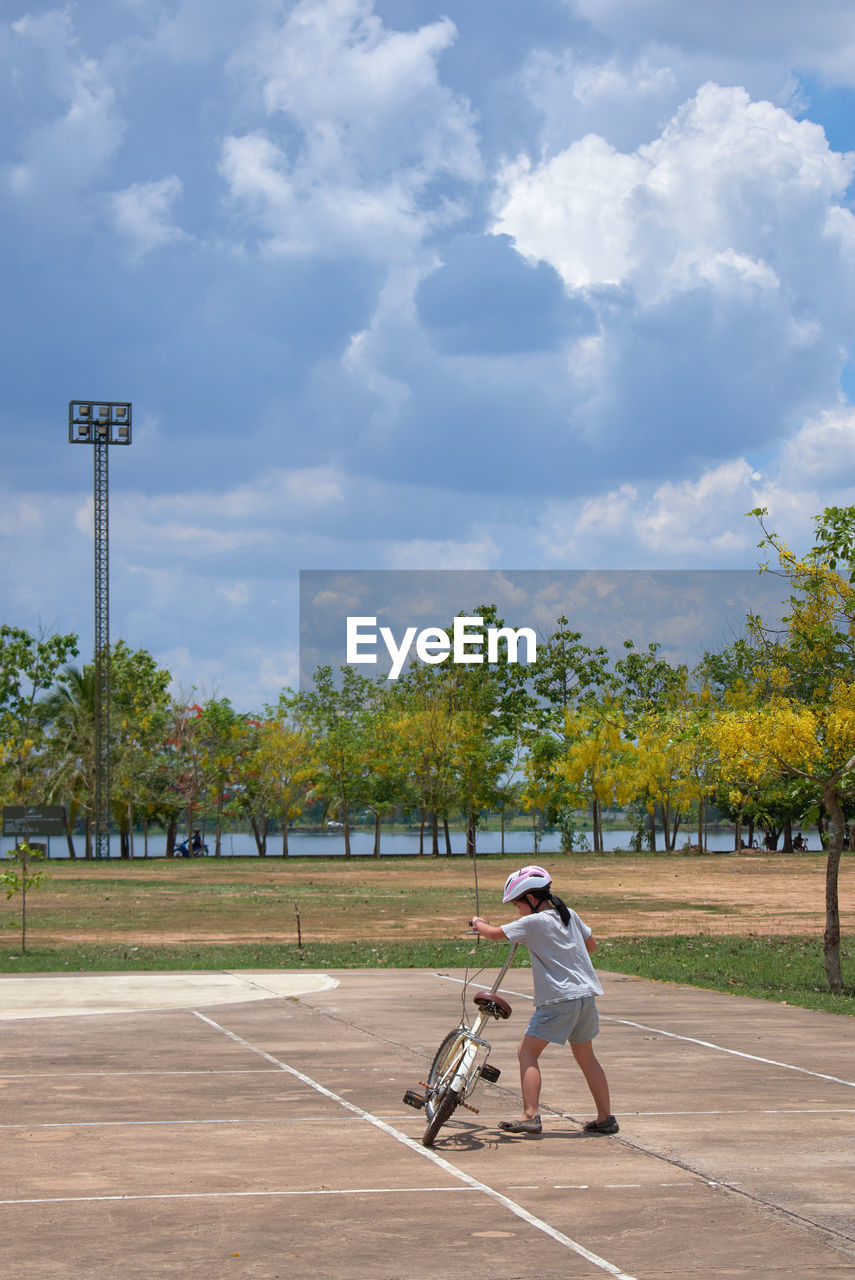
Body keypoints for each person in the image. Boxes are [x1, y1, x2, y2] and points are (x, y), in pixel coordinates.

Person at [468, 864, 618, 1137]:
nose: (518, 911)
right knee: (587, 1058)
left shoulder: (534, 922)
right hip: (585, 997)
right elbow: (592, 945)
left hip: (559, 999)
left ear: (531, 899)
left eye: (517, 905)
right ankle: (606, 1117)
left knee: (526, 1052)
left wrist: (477, 922)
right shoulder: (568, 914)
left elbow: (492, 934)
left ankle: (530, 1115)